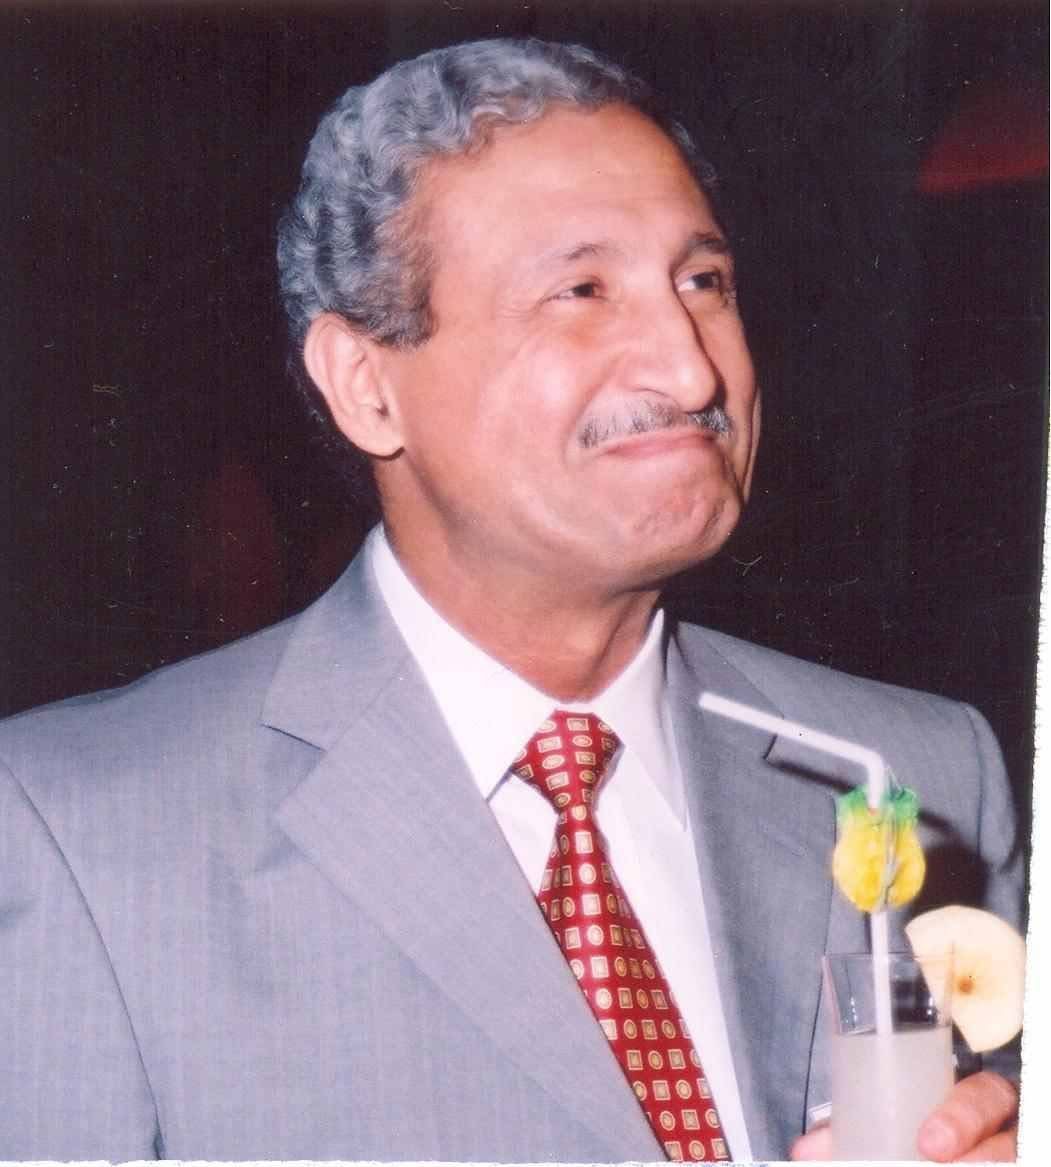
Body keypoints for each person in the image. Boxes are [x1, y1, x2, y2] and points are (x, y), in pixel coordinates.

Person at [0, 38, 1023, 1162]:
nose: (692, 372)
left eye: (703, 283)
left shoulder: (920, 777)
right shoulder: (79, 833)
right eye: (580, 292)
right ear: (366, 386)